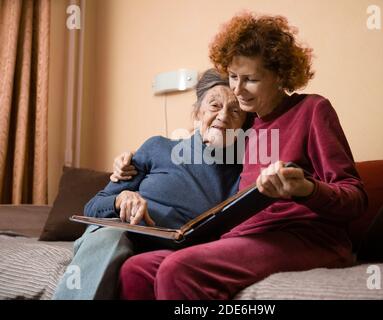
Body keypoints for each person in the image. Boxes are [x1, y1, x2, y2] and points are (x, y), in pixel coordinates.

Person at [117, 12, 368, 300]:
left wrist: (306, 189)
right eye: (234, 76)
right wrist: (134, 159)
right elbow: (200, 140)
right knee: (137, 269)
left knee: (178, 269)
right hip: (245, 237)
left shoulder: (312, 111)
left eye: (250, 79)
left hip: (307, 237)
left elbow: (355, 198)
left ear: (280, 75)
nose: (237, 89)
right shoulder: (248, 125)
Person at [52, 69, 248, 299]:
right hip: (120, 233)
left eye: (235, 111)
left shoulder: (242, 172)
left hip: (172, 249)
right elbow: (92, 207)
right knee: (110, 237)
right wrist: (120, 198)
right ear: (197, 112)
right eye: (215, 106)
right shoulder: (158, 147)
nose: (224, 116)